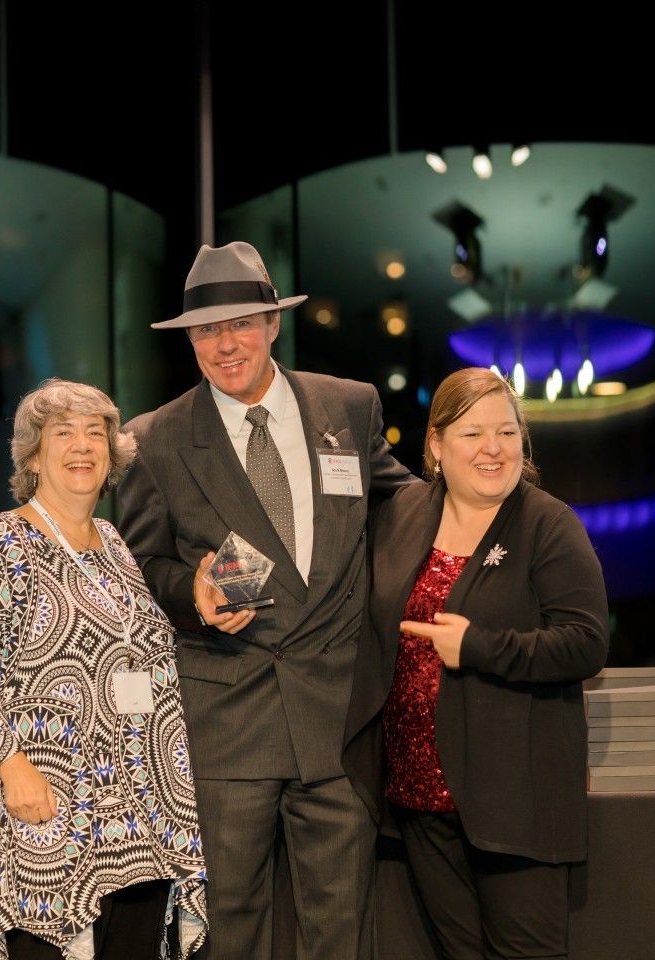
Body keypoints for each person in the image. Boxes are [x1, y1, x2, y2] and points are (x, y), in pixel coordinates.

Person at [116, 241, 416, 960]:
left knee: (341, 934)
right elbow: (138, 567)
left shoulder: (349, 407)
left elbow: (406, 508)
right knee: (228, 932)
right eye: (207, 330)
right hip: (226, 723)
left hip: (338, 720)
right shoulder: (154, 440)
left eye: (241, 324)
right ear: (190, 340)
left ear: (274, 324)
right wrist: (191, 593)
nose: (225, 344)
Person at [0, 378, 208, 960]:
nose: (82, 446)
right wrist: (11, 768)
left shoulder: (112, 543)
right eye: (63, 434)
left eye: (95, 434)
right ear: (34, 456)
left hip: (141, 822)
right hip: (49, 815)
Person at [343, 366, 610, 959]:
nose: (494, 448)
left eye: (507, 433)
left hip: (515, 802)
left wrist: (478, 647)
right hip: (418, 798)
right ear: (436, 445)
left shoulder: (548, 524)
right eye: (473, 434)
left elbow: (586, 642)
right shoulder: (402, 513)